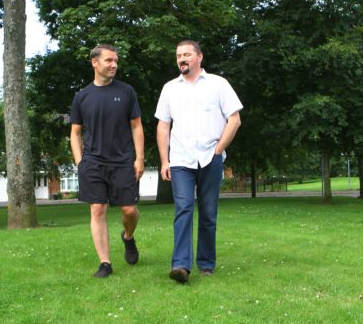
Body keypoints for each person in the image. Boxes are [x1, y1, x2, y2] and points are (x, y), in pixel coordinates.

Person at [155, 40, 242, 283]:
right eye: (178, 55)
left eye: (186, 55)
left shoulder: (218, 84)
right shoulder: (170, 88)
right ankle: (181, 265)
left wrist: (219, 149)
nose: (181, 59)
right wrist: (164, 161)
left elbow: (234, 119)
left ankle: (206, 263)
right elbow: (163, 126)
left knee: (208, 213)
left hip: (210, 158)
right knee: (183, 208)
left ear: (199, 57)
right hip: (181, 160)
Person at [70, 44, 145, 278]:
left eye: (116, 61)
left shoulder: (126, 92)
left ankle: (128, 237)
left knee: (129, 210)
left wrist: (139, 158)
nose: (113, 65)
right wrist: (80, 162)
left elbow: (136, 126)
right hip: (93, 161)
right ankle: (105, 263)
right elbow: (75, 132)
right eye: (108, 61)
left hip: (122, 161)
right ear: (94, 62)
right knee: (98, 209)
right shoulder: (82, 97)